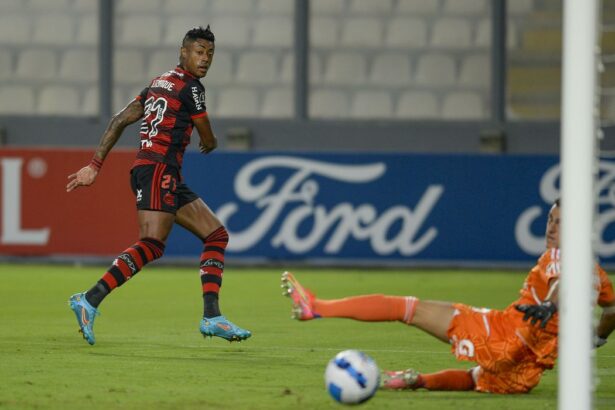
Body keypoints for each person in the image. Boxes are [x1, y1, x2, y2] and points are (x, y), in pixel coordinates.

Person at [281, 199, 615, 393]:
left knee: (406, 307)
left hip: (502, 333)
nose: (551, 229)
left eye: (561, 223)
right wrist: (597, 338)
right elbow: (612, 309)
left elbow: (561, 281)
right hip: (527, 371)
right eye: (550, 220)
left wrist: (551, 303)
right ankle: (416, 380)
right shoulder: (598, 273)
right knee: (475, 379)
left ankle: (317, 306)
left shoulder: (559, 256)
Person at [67, 26, 251, 345]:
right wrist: (212, 140)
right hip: (157, 169)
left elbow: (119, 119)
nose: (205, 59)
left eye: (210, 54)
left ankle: (212, 316)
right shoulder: (192, 88)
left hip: (162, 173)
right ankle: (89, 299)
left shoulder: (157, 83)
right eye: (199, 51)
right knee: (152, 244)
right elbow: (206, 134)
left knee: (216, 235)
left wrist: (95, 164)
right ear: (183, 52)